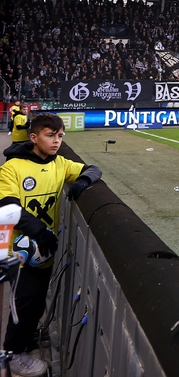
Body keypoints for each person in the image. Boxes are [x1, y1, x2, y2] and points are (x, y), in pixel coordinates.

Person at [0, 113, 101, 377]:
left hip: (44, 251)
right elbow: (8, 206)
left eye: (59, 136)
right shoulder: (12, 168)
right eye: (50, 135)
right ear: (34, 138)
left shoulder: (60, 164)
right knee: (23, 303)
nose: (56, 141)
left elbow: (93, 169)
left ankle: (27, 339)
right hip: (19, 251)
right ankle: (13, 355)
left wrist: (84, 181)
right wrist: (39, 230)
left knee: (34, 301)